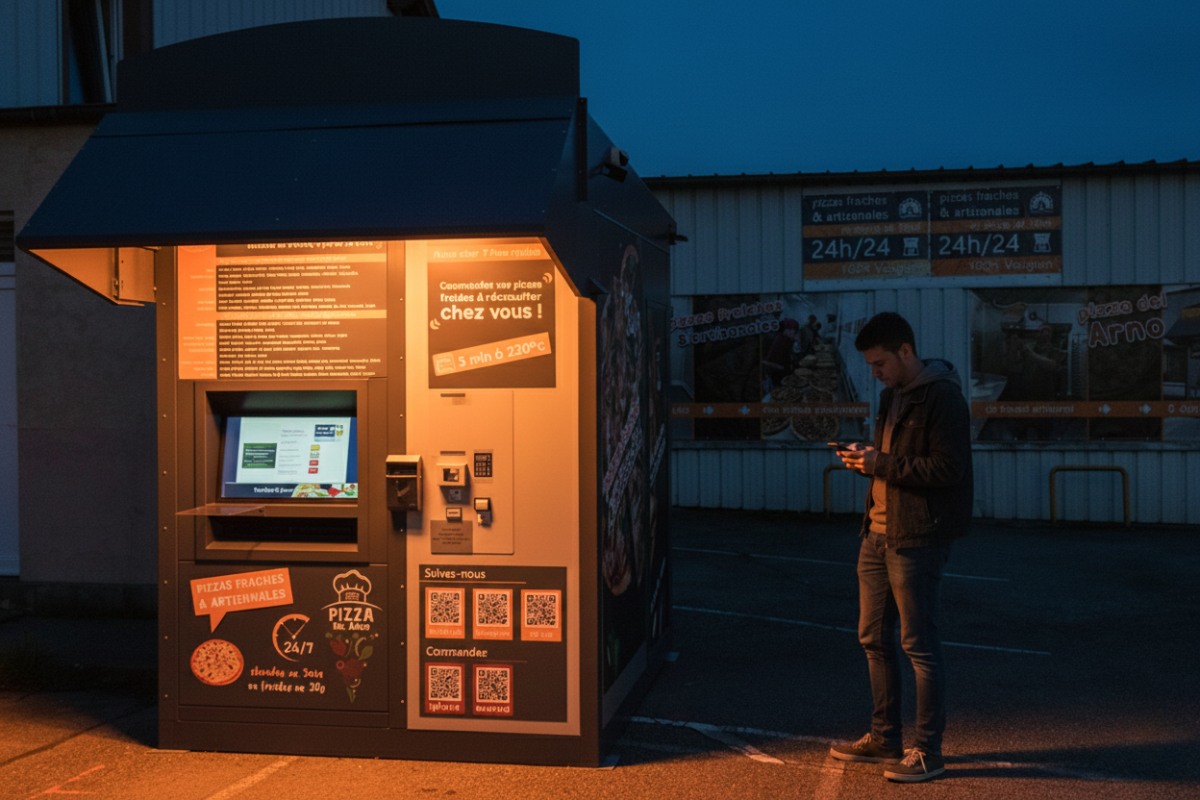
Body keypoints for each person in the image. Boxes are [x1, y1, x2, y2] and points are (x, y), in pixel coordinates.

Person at [828, 312, 974, 783]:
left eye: (880, 364)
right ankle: (884, 738)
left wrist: (880, 463)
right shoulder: (892, 396)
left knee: (919, 646)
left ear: (906, 351)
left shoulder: (943, 397)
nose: (874, 374)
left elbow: (947, 469)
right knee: (873, 637)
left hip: (917, 537)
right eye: (870, 365)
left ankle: (928, 751)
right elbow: (892, 462)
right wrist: (865, 460)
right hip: (875, 534)